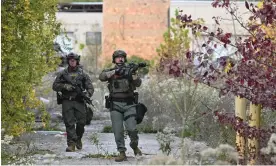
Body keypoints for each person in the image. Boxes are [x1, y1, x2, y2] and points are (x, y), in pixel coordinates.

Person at [99, 50, 142, 162]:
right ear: (114, 59)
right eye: (118, 57)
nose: (120, 59)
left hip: (129, 104)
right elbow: (102, 76)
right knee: (118, 131)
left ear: (125, 59)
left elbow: (138, 83)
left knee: (132, 129)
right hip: (115, 105)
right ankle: (122, 152)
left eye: (122, 57)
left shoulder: (130, 71)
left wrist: (132, 75)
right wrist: (114, 72)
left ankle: (134, 146)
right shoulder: (111, 71)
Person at [52, 53, 94, 152]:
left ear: (77, 61)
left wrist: (87, 95)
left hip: (79, 101)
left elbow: (90, 87)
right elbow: (55, 86)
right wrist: (65, 86)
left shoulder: (83, 74)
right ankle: (71, 144)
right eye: (70, 60)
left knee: (81, 122)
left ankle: (78, 138)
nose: (72, 61)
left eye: (74, 60)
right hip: (67, 101)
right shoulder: (62, 74)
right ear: (68, 61)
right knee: (69, 123)